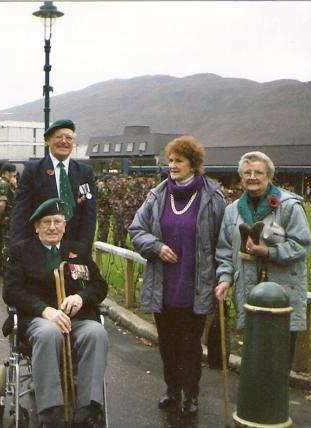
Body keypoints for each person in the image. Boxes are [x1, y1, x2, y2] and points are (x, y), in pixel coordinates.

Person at [128, 136, 226, 415]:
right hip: (164, 284)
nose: (172, 165)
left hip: (197, 284)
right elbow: (136, 230)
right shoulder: (157, 195)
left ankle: (191, 393)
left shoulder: (213, 198)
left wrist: (222, 279)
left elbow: (223, 241)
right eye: (170, 160)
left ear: (193, 164)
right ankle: (172, 389)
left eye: (178, 161)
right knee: (168, 342)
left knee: (191, 345)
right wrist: (156, 247)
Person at [3, 198, 108, 428]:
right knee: (49, 333)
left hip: (76, 319)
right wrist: (45, 310)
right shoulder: (21, 251)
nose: (52, 227)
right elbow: (11, 291)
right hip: (39, 320)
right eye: (47, 222)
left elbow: (99, 286)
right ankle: (50, 412)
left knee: (96, 333)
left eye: (57, 221)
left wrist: (81, 297)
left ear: (64, 225)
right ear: (36, 226)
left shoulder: (77, 251)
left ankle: (88, 410)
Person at [214, 151, 311, 365]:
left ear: (269, 176)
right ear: (241, 178)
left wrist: (268, 252)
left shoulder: (288, 206)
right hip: (249, 297)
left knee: (278, 366)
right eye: (247, 172)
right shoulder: (232, 211)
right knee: (254, 362)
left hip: (282, 298)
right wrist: (224, 279)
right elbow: (224, 251)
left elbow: (302, 245)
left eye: (258, 172)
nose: (252, 177)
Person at [11, 119, 97, 253]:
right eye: (58, 137)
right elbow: (20, 213)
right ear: (48, 141)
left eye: (69, 138)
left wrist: (83, 249)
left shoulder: (84, 173)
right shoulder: (32, 170)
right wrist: (19, 250)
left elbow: (89, 216)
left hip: (73, 248)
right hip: (38, 249)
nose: (64, 141)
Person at [0, 163, 17, 276]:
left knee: (0, 242)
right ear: (7, 172)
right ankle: (4, 268)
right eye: (13, 173)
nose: (15, 175)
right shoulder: (5, 184)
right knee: (6, 244)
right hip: (7, 218)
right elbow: (2, 204)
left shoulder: (3, 183)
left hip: (5, 218)